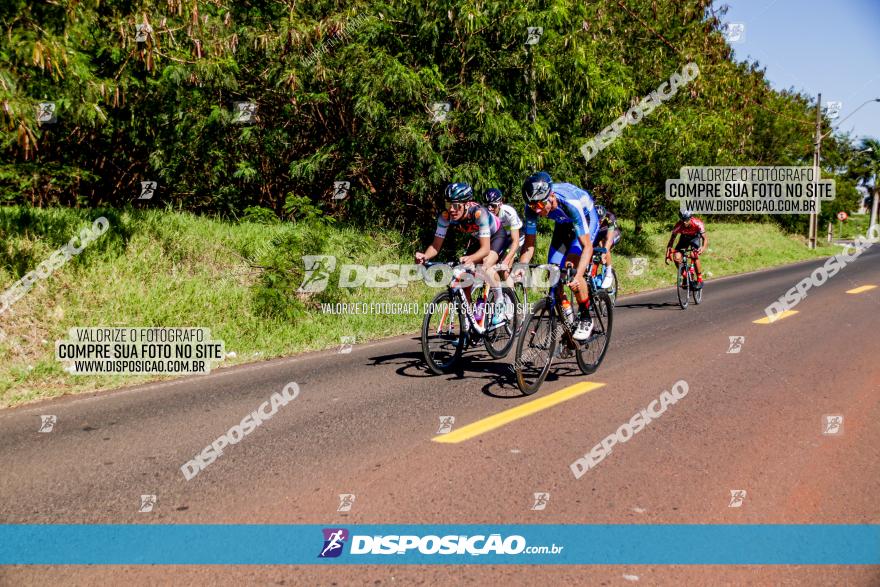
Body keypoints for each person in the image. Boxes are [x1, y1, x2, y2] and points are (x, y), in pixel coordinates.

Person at [517, 172, 600, 341]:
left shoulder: (570, 204)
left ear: (551, 196)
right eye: (533, 206)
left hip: (585, 218)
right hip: (563, 223)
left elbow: (588, 247)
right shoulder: (532, 207)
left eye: (540, 204)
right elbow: (529, 244)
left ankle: (585, 316)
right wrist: (522, 265)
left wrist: (578, 275)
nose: (537, 210)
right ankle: (567, 313)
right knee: (553, 272)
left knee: (571, 267)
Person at [415, 182, 506, 332]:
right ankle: (468, 325)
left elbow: (485, 249)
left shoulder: (479, 213)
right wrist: (425, 256)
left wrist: (471, 259)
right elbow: (435, 247)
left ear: (466, 204)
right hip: (478, 238)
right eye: (448, 204)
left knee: (485, 267)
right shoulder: (445, 217)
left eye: (456, 205)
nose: (451, 209)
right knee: (464, 280)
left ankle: (500, 304)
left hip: (496, 236)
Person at [483, 187, 523, 273]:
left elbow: (515, 241)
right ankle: (494, 286)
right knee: (488, 264)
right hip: (501, 238)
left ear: (500, 204)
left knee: (505, 270)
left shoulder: (509, 212)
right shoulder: (483, 214)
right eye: (487, 206)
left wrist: (506, 261)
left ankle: (510, 286)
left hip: (515, 238)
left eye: (493, 206)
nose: (490, 209)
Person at [666, 210, 707, 289]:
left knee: (693, 254)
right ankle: (685, 275)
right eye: (682, 220)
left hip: (695, 238)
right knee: (676, 257)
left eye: (686, 220)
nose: (684, 222)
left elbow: (705, 239)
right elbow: (671, 240)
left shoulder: (698, 223)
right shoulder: (678, 225)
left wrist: (703, 248)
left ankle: (699, 278)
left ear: (690, 218)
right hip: (684, 238)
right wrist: (667, 255)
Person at [592, 205, 620, 289]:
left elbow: (609, 239)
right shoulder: (589, 216)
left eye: (601, 220)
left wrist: (604, 251)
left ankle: (608, 274)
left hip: (613, 232)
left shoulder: (609, 217)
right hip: (600, 233)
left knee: (606, 246)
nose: (599, 222)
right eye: (598, 220)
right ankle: (592, 275)